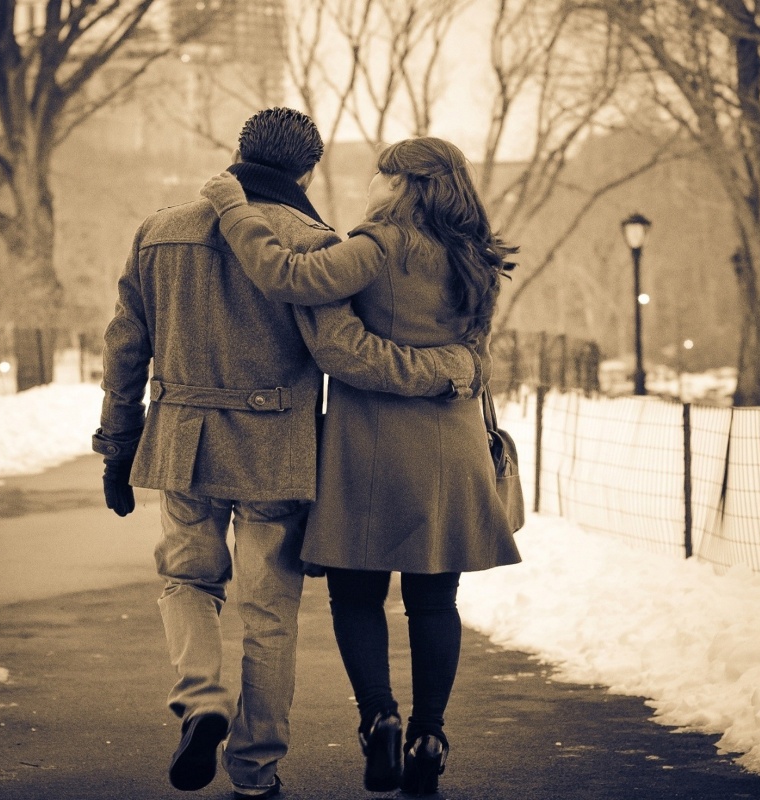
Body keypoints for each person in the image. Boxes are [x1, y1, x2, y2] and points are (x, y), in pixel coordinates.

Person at [94, 109, 482, 800]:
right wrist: (452, 367)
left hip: (183, 437)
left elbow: (125, 345)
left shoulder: (158, 232)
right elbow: (338, 351)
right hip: (276, 445)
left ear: (240, 152)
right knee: (270, 614)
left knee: (186, 579)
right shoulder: (315, 241)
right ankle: (255, 771)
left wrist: (118, 443)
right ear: (305, 172)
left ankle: (202, 699)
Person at [201, 136, 522, 795]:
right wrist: (450, 371)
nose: (374, 182)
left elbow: (287, 277)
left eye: (383, 173)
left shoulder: (378, 246)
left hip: (372, 448)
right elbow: (472, 355)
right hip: (452, 448)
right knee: (436, 598)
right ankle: (429, 733)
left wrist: (234, 207)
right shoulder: (475, 254)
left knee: (357, 595)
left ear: (403, 183)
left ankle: (380, 719)